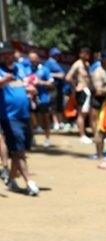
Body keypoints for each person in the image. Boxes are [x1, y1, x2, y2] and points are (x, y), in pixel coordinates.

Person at [0, 43, 40, 195]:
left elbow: (27, 83)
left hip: (24, 114)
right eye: (4, 54)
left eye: (9, 53)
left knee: (21, 150)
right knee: (19, 151)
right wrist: (4, 81)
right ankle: (29, 182)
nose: (7, 56)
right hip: (9, 117)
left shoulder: (20, 68)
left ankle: (10, 180)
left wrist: (31, 89)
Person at [27, 51, 54, 149]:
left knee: (45, 119)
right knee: (30, 119)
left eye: (34, 58)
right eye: (30, 59)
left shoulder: (45, 69)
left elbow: (51, 84)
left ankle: (47, 139)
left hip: (43, 99)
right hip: (30, 99)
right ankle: (32, 139)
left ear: (38, 59)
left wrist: (40, 82)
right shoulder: (26, 69)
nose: (32, 60)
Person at [66, 47, 94, 145]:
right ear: (80, 54)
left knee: (88, 113)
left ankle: (88, 133)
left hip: (88, 91)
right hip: (82, 90)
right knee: (82, 113)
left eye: (88, 53)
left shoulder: (87, 64)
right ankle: (82, 135)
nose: (86, 55)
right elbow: (68, 77)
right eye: (84, 53)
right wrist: (75, 86)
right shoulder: (77, 64)